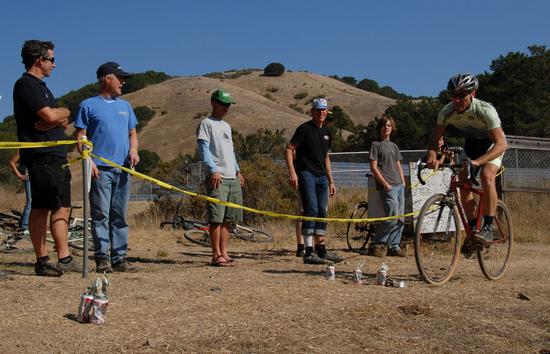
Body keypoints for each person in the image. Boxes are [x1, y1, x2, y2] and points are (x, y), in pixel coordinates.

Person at [12, 39, 81, 276]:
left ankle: (64, 256)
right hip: (41, 156)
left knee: (62, 205)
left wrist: (63, 113)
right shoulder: (26, 85)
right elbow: (51, 116)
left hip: (56, 155)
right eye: (51, 59)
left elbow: (61, 118)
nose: (54, 64)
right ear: (39, 60)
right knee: (42, 207)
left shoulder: (43, 87)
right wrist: (57, 115)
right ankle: (42, 259)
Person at [427, 73, 507, 245]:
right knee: (463, 185)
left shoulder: (485, 110)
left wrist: (478, 162)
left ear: (473, 94)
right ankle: (473, 233)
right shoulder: (446, 112)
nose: (456, 100)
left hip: (491, 146)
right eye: (453, 95)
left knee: (486, 176)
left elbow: (501, 144)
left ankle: (487, 228)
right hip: (471, 146)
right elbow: (435, 138)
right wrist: (432, 155)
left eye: (461, 95)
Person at [74, 62, 140, 273]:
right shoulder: (88, 105)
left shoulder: (126, 106)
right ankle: (102, 257)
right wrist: (89, 161)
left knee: (119, 214)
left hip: (124, 169)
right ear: (106, 79)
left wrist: (134, 151)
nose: (123, 82)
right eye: (120, 78)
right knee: (101, 214)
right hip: (100, 169)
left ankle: (120, 257)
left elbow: (133, 134)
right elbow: (81, 136)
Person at [285, 98, 343, 265]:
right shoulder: (304, 129)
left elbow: (326, 157)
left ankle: (322, 249)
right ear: (312, 112)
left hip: (322, 177)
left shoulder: (326, 131)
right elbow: (289, 149)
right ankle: (308, 251)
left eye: (324, 110)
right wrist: (292, 172)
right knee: (310, 209)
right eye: (318, 110)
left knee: (322, 212)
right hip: (307, 174)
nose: (322, 113)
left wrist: (331, 180)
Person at [196, 89, 244, 267]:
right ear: (213, 103)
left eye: (228, 105)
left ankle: (224, 252)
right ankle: (215, 255)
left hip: (232, 176)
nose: (226, 108)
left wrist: (238, 170)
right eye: (223, 104)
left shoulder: (226, 126)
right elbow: (204, 150)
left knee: (229, 219)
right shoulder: (206, 124)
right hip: (218, 177)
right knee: (216, 217)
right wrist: (213, 170)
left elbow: (230, 151)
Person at [366, 115, 407, 257]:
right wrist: (385, 184)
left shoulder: (394, 146)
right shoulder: (376, 145)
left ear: (392, 128)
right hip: (387, 186)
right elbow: (373, 167)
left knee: (401, 218)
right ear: (380, 128)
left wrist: (403, 181)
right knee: (392, 216)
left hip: (399, 185)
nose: (386, 128)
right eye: (384, 126)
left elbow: (398, 165)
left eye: (389, 125)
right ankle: (377, 243)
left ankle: (394, 246)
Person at [8, 150, 31, 234]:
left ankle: (31, 225)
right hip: (30, 178)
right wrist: (19, 175)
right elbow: (12, 162)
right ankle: (24, 227)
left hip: (41, 177)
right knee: (30, 202)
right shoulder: (24, 146)